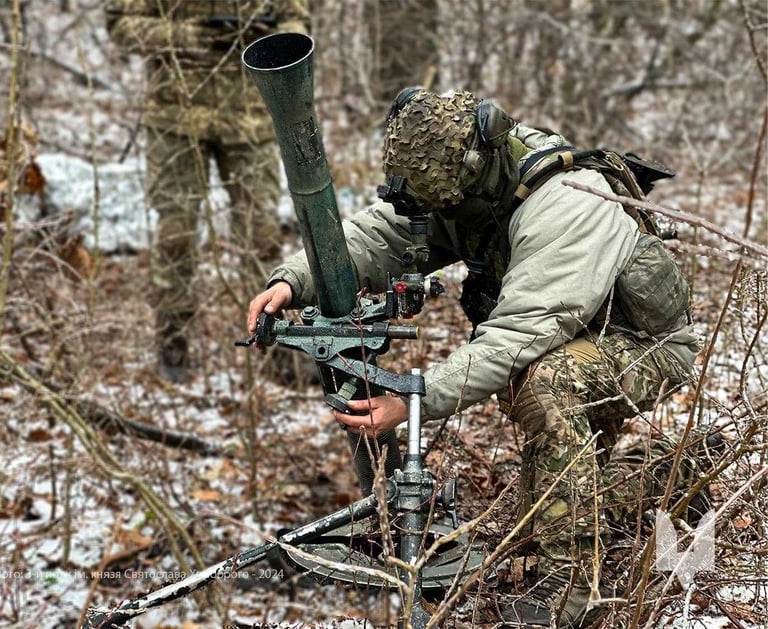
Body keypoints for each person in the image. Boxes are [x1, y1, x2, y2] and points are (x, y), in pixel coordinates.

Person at [248, 89, 708, 627]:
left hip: (643, 345)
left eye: (443, 203)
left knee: (543, 385)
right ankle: (677, 474)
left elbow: (516, 335)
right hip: (574, 330)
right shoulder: (465, 181)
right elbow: (383, 234)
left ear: (476, 166)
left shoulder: (566, 202)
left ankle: (570, 596)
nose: (438, 214)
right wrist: (294, 278)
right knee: (541, 517)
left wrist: (413, 397)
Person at [105, 0, 309, 381]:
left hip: (250, 116)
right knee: (175, 236)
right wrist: (186, 37)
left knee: (260, 236)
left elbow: (296, 20)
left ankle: (275, 343)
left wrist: (265, 39)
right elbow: (120, 22)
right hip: (175, 117)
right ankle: (173, 344)